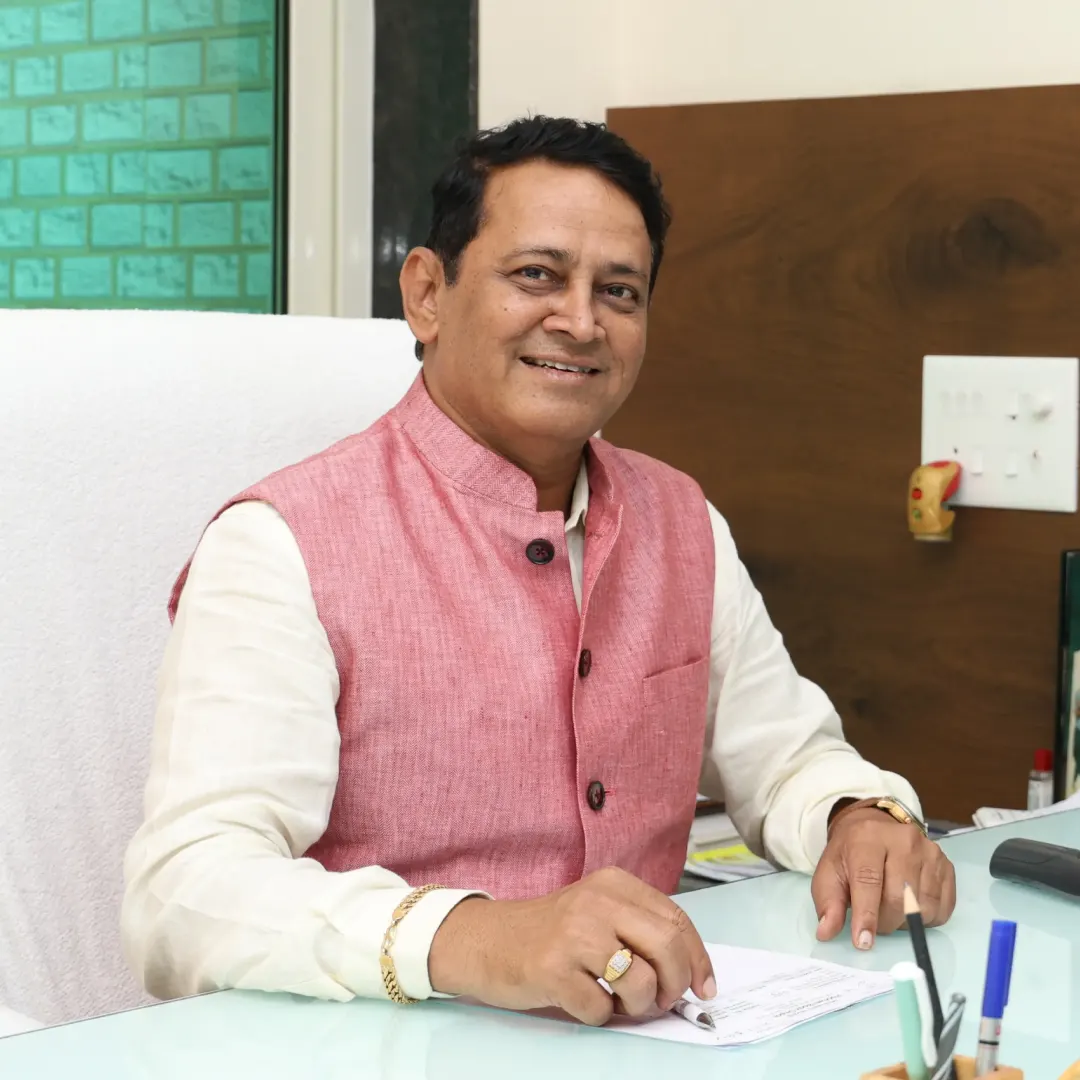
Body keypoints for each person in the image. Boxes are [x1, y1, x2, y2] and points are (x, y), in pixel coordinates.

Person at [122, 116, 955, 1027]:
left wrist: (856, 817)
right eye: (537, 275)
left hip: (652, 1042)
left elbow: (787, 757)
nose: (581, 321)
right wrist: (479, 937)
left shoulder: (682, 520)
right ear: (427, 294)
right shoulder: (280, 543)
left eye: (619, 292)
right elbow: (184, 895)